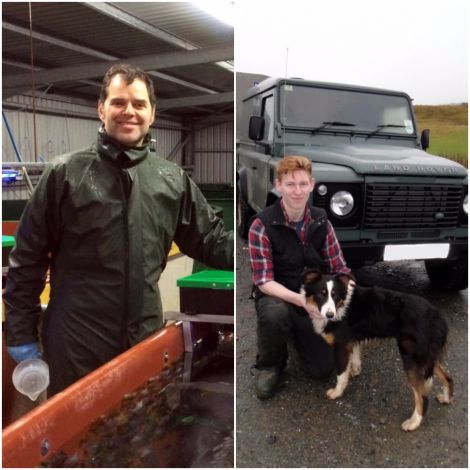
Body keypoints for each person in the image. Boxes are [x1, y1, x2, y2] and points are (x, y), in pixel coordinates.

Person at [4, 63, 234, 395]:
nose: (129, 112)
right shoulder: (65, 175)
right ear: (102, 109)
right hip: (76, 345)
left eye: (139, 104)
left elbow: (210, 240)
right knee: (78, 438)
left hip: (144, 339)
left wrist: (259, 251)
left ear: (152, 113)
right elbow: (27, 261)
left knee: (140, 432)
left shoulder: (171, 179)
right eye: (118, 102)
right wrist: (22, 334)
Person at [248, 155, 350, 399]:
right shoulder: (261, 225)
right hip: (279, 294)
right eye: (290, 184)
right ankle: (271, 364)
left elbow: (340, 268)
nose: (297, 191)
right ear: (278, 185)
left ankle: (298, 335)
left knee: (322, 370)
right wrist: (301, 301)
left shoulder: (322, 221)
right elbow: (263, 280)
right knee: (274, 315)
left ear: (312, 185)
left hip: (314, 299)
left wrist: (338, 302)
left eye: (303, 184)